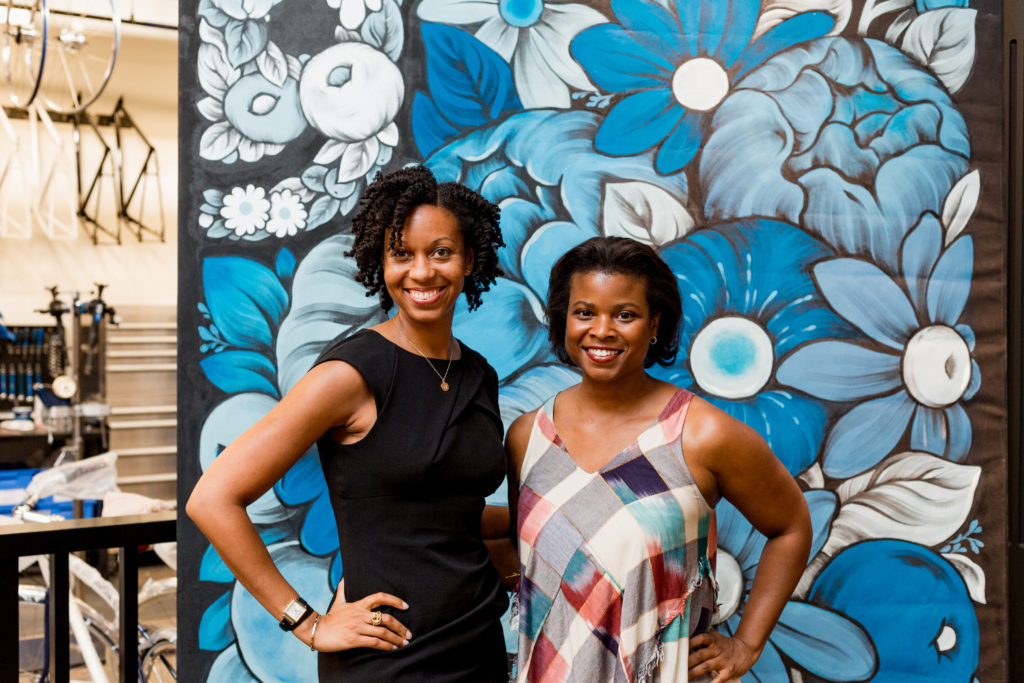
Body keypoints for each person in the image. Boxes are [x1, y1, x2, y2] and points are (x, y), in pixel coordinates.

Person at [187, 165, 511, 681]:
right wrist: (308, 623)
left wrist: (550, 515)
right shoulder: (349, 374)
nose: (422, 272)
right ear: (380, 263)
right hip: (386, 659)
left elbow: (449, 513)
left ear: (469, 259)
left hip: (477, 646)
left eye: (441, 252)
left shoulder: (478, 374)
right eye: (401, 254)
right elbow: (212, 499)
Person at [505, 236, 812, 682]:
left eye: (625, 315)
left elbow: (791, 526)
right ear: (562, 321)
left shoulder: (700, 434)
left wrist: (746, 644)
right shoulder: (526, 437)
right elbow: (528, 558)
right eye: (584, 312)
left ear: (654, 324)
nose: (602, 330)